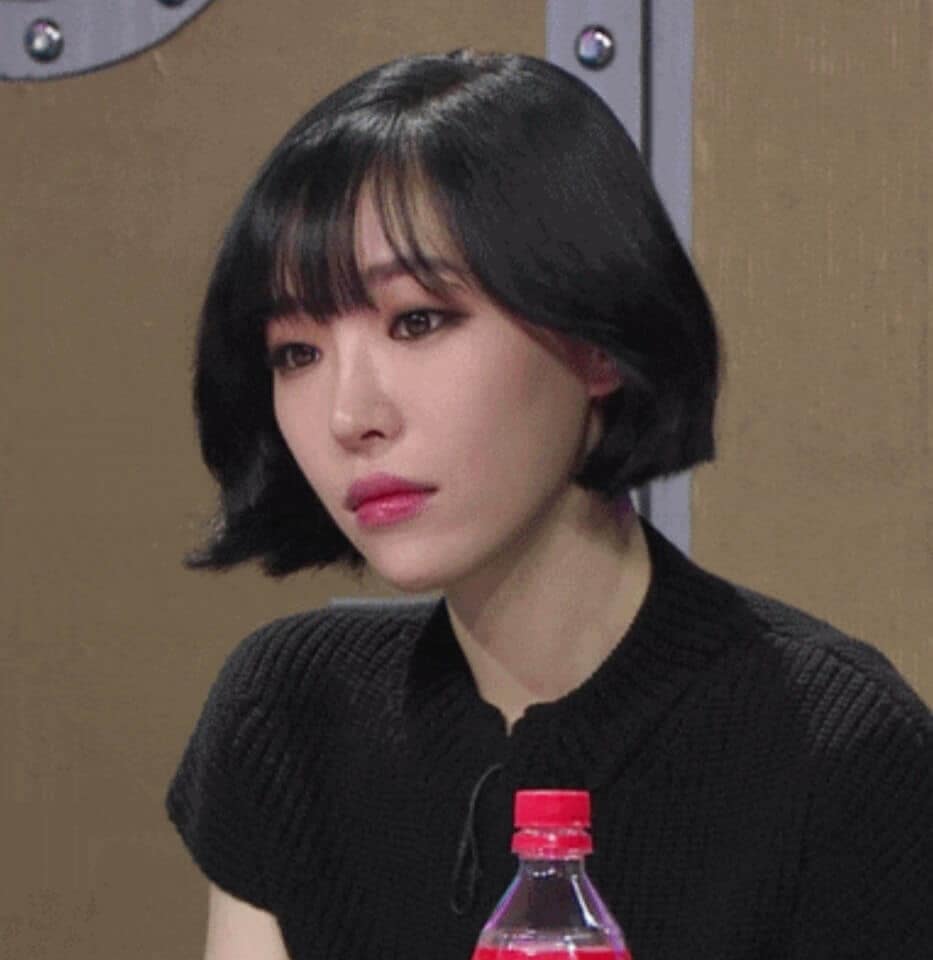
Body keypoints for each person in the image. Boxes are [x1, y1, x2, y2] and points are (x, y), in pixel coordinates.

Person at [166, 49, 932, 960]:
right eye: (296, 352)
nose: (348, 415)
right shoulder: (290, 713)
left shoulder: (831, 742)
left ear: (594, 339)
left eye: (417, 320)